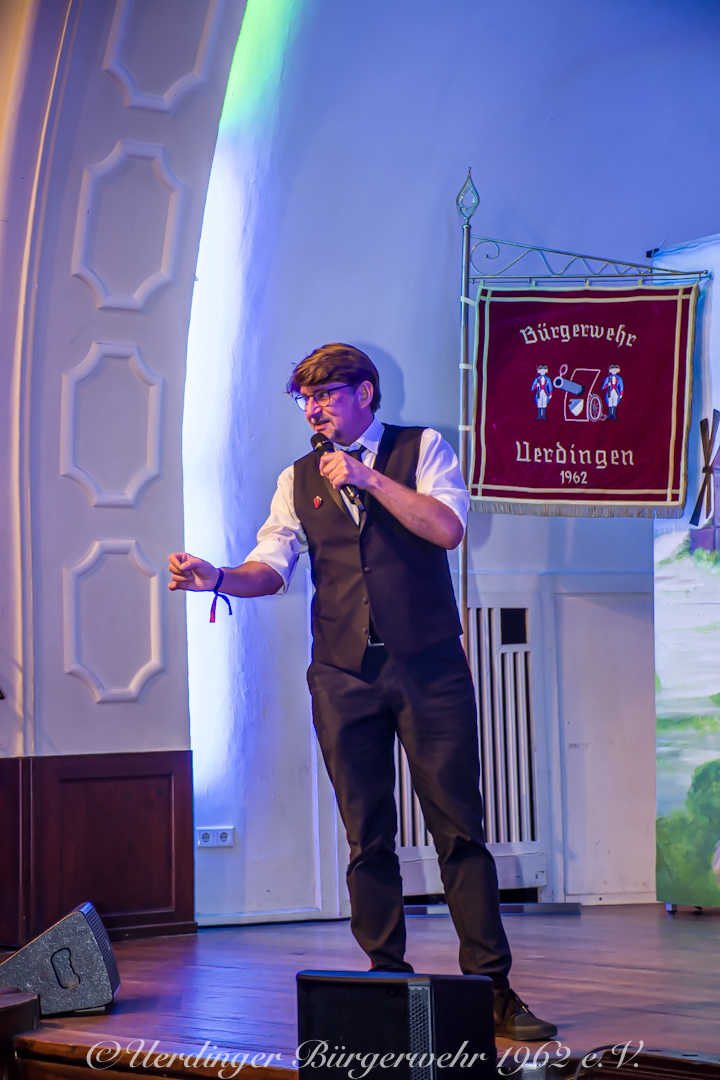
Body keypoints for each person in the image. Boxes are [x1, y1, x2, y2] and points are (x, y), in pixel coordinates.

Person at [169, 343, 557, 1041]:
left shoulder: (422, 447)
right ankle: (388, 985)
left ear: (365, 394)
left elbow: (446, 528)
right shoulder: (297, 480)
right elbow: (271, 566)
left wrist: (368, 478)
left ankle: (493, 991)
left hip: (429, 668)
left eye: (325, 395)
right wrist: (217, 577)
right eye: (305, 400)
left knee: (459, 832)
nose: (313, 410)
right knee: (366, 837)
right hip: (343, 678)